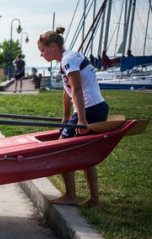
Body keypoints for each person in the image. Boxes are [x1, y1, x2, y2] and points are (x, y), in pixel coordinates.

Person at [38, 27, 109, 207]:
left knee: (63, 149)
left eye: (42, 50)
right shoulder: (68, 58)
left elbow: (77, 89)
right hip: (93, 107)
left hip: (90, 109)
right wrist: (66, 117)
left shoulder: (68, 60)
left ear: (53, 46)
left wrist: (82, 119)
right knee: (86, 153)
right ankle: (93, 200)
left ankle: (71, 195)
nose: (41, 54)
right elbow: (67, 91)